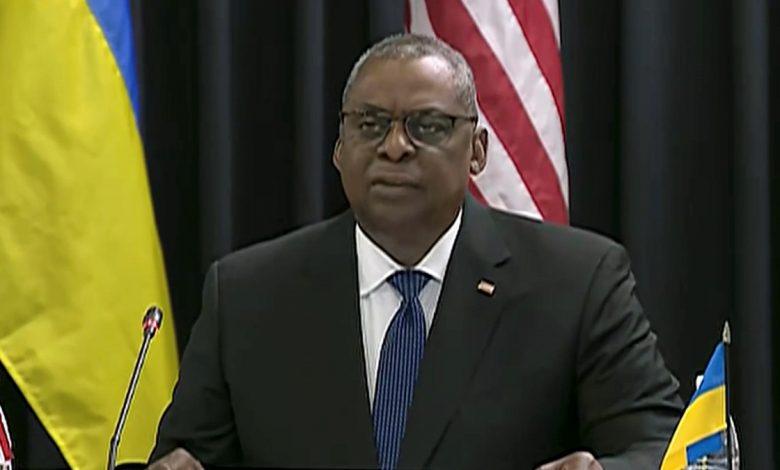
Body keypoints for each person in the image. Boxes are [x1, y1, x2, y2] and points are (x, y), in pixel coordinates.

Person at [149, 34, 683, 470]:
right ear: (339, 148)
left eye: (427, 126)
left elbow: (666, 447)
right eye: (370, 125)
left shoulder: (578, 281)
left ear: (477, 151)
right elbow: (187, 458)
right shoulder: (247, 294)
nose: (395, 146)